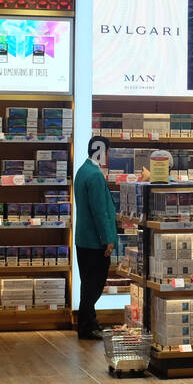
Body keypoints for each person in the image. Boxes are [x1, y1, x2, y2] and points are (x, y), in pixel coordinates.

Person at [73, 135, 117, 340]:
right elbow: (100, 212)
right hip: (95, 240)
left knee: (87, 283)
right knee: (95, 285)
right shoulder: (95, 176)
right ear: (100, 151)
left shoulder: (82, 171)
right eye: (107, 151)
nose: (108, 155)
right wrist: (108, 239)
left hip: (83, 239)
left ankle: (88, 323)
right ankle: (87, 325)